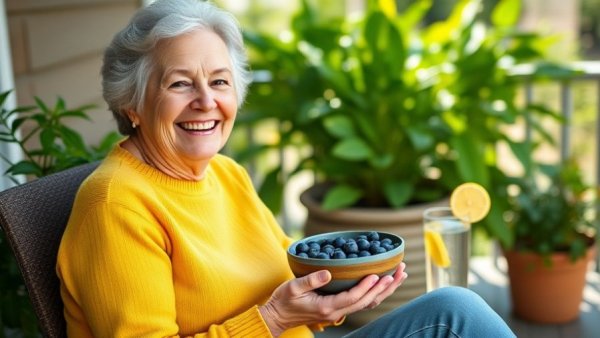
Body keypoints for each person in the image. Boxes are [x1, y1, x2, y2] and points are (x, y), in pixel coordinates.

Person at [56, 0, 516, 337]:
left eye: (219, 81)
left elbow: (293, 277)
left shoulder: (226, 174)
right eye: (180, 83)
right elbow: (277, 312)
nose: (206, 101)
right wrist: (274, 320)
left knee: (455, 309)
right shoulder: (116, 204)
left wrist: (335, 297)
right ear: (133, 104)